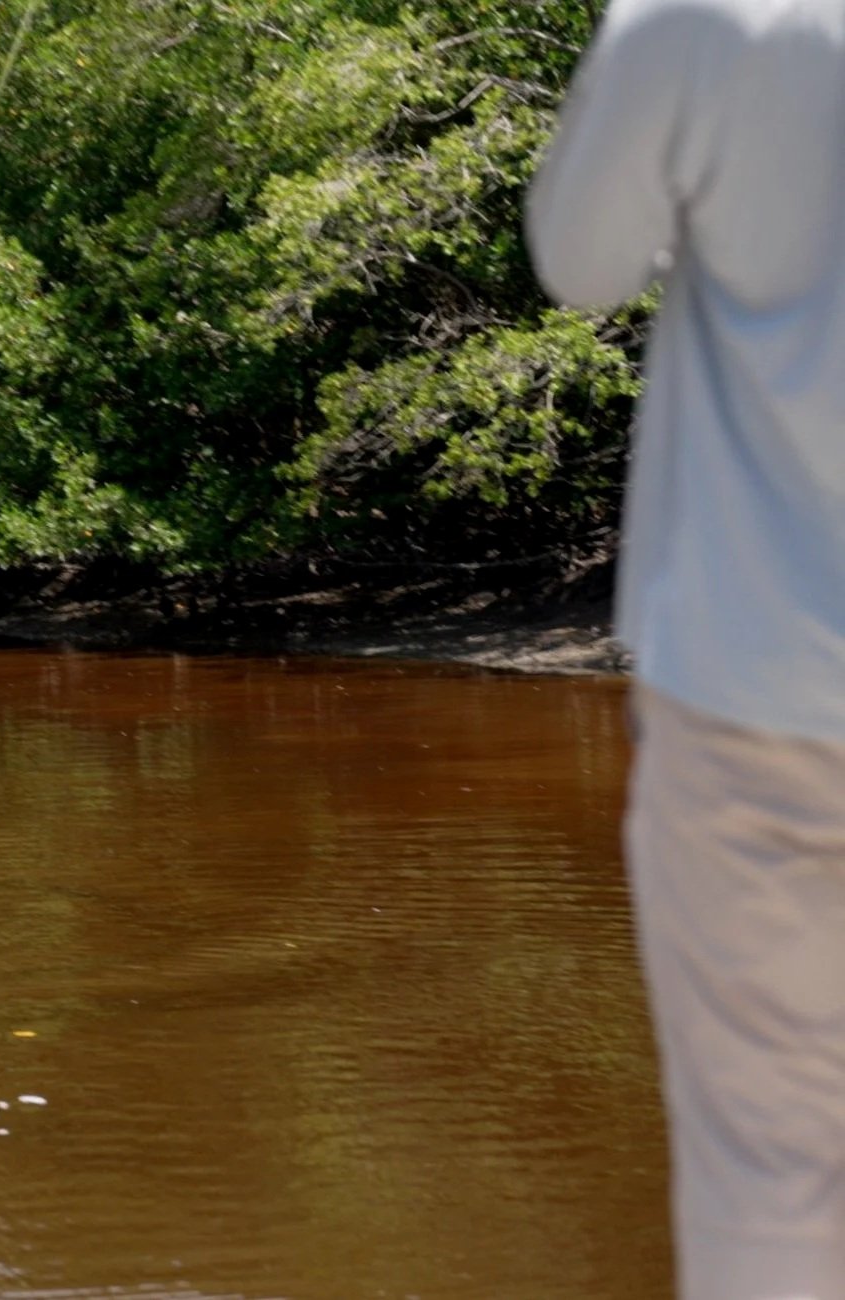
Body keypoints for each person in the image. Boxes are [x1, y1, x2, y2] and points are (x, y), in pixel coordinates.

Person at [529, 1, 845, 1295]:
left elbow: (582, 258)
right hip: (750, 686)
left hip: (759, 682)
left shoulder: (706, 13)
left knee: (772, 1172)